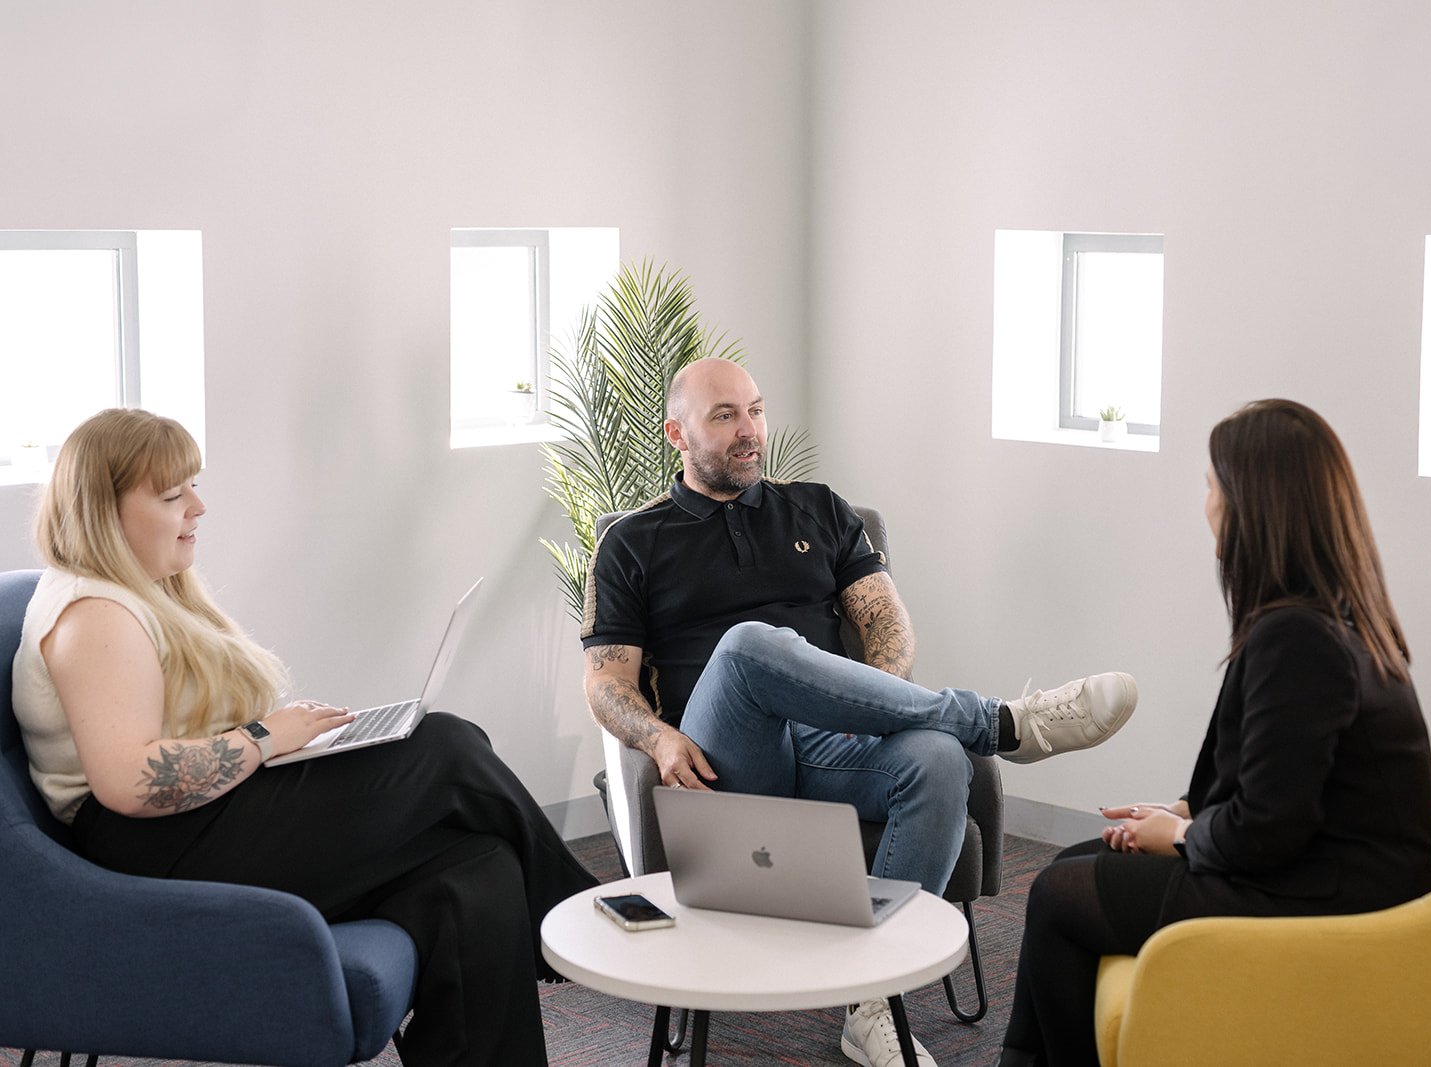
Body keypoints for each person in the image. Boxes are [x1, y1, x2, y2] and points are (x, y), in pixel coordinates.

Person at [580, 357, 1140, 1067]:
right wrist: (657, 737)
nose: (750, 430)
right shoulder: (633, 540)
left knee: (938, 760)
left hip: (834, 742)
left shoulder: (818, 508)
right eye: (725, 416)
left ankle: (872, 1001)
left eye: (754, 409)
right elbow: (606, 682)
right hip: (722, 759)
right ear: (676, 434)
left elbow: (888, 625)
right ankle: (999, 724)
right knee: (752, 646)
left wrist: (870, 707)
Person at [11, 408, 598, 1067]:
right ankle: (589, 918)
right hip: (149, 843)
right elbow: (128, 781)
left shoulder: (139, 592)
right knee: (445, 746)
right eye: (173, 495)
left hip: (199, 819)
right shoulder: (94, 614)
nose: (198, 507)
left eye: (193, 486)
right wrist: (263, 737)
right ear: (103, 511)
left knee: (475, 869)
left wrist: (287, 744)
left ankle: (572, 923)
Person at [997, 399, 1431, 1066]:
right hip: (1323, 865)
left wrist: (1178, 836)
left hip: (1330, 894)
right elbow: (1284, 779)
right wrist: (1181, 811)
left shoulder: (1298, 637)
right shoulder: (1328, 616)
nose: (1204, 503)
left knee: (1058, 895)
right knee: (1069, 864)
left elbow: (1268, 828)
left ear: (1250, 507)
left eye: (1212, 485)